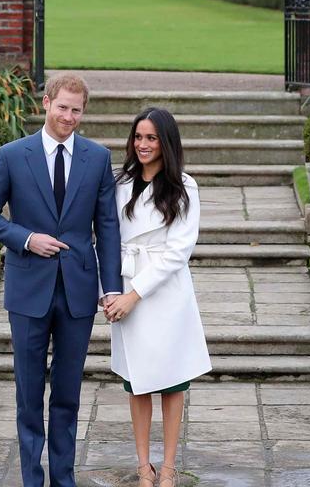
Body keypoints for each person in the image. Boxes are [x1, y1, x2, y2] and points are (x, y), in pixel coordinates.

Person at [0, 73, 124, 487]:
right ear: (46, 103)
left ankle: (63, 478)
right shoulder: (12, 154)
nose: (69, 117)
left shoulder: (97, 158)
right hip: (28, 290)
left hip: (78, 290)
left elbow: (108, 227)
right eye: (63, 107)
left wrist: (111, 287)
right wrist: (25, 238)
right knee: (28, 392)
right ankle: (31, 479)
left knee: (68, 393)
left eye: (77, 110)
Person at [105, 107, 210, 487]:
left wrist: (134, 294)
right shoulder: (118, 184)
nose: (143, 144)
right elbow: (107, 238)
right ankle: (143, 466)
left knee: (172, 381)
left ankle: (168, 467)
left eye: (151, 138)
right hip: (124, 286)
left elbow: (178, 251)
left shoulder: (184, 186)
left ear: (165, 142)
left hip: (165, 294)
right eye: (138, 137)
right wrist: (111, 293)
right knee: (137, 382)